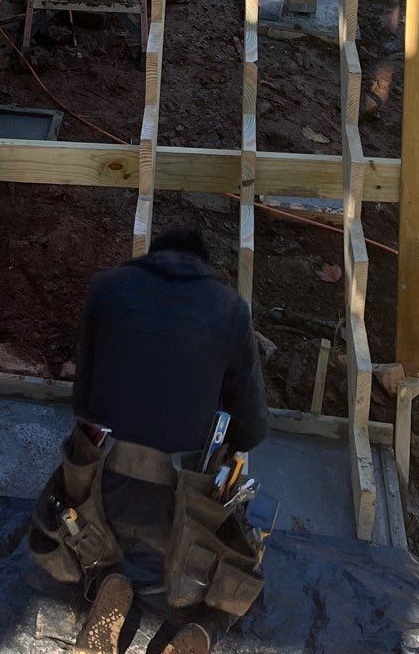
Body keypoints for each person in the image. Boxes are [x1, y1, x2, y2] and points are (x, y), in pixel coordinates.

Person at [30, 226, 271, 654]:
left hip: (101, 499)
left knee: (63, 501)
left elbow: (83, 404)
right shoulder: (230, 309)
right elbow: (252, 429)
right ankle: (203, 627)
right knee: (243, 565)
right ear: (203, 266)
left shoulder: (106, 289)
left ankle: (105, 579)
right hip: (181, 517)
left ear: (151, 257)